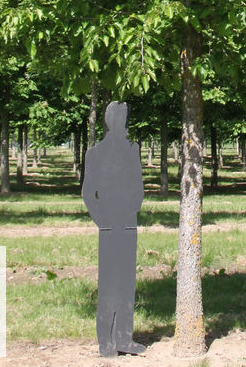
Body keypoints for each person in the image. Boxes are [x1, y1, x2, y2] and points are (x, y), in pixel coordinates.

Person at [81, 101, 146, 358]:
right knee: (108, 282)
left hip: (128, 222)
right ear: (110, 121)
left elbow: (138, 186)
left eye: (125, 118)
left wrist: (132, 210)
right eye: (120, 118)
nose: (124, 123)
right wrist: (102, 220)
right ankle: (105, 343)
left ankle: (124, 338)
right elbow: (88, 193)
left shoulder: (133, 150)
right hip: (108, 225)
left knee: (127, 282)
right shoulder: (95, 154)